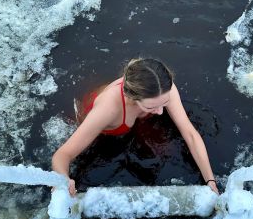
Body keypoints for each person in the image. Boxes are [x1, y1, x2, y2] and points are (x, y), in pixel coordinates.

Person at [52, 58, 219, 196]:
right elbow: (62, 155)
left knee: (166, 151)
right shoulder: (108, 109)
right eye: (151, 107)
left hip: (134, 120)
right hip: (103, 126)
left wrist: (210, 180)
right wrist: (63, 181)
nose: (161, 112)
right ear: (132, 98)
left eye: (165, 103)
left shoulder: (162, 87)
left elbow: (190, 134)